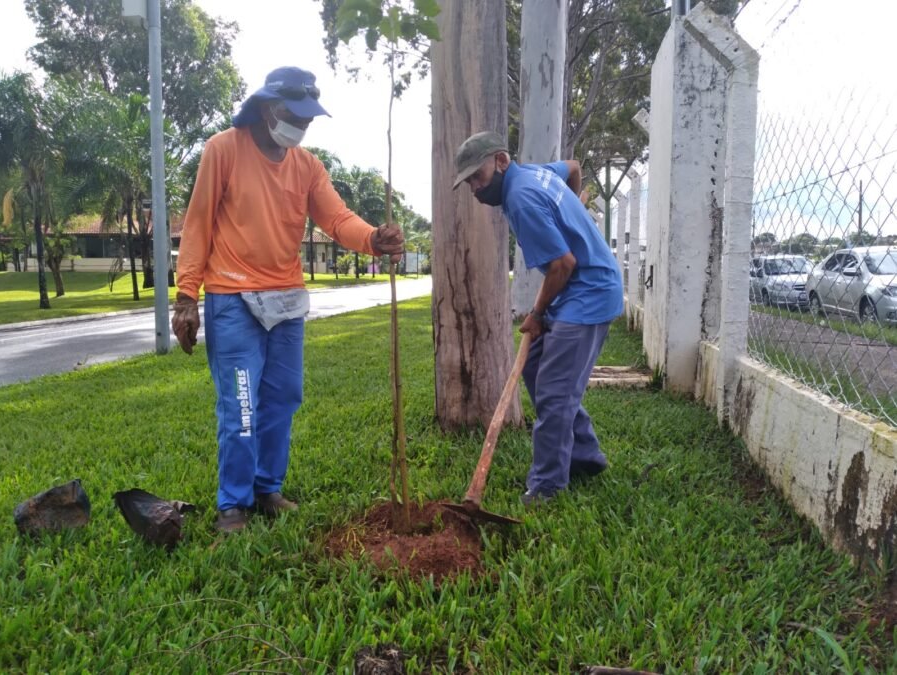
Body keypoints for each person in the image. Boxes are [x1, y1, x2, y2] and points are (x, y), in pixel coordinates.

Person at [172, 67, 404, 532]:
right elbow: (196, 224)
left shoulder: (307, 166)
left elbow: (336, 219)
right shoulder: (223, 150)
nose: (301, 125)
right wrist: (185, 296)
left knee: (282, 397)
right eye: (293, 115)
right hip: (232, 297)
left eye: (308, 119)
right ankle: (233, 504)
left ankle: (266, 488)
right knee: (240, 404)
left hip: (285, 300)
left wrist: (373, 239)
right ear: (265, 107)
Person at [452, 131, 623, 505]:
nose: (475, 190)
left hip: (588, 292)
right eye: (467, 184)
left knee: (555, 391)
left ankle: (547, 486)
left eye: (477, 178)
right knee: (536, 369)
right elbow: (574, 167)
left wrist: (537, 314)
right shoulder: (534, 174)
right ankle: (585, 456)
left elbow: (563, 265)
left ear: (500, 161)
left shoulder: (521, 197)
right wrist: (574, 204)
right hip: (577, 290)